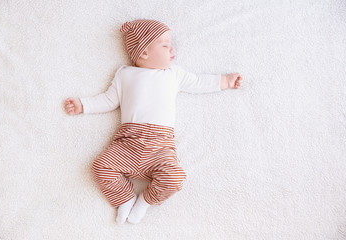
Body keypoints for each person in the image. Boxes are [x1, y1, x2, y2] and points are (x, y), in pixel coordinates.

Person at [64, 19, 242, 224]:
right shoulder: (125, 74)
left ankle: (145, 201)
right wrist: (83, 105)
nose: (172, 48)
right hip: (128, 144)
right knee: (101, 166)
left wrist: (226, 81)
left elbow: (198, 82)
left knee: (174, 179)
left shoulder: (174, 74)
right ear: (144, 53)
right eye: (165, 45)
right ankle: (125, 197)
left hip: (160, 145)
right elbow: (108, 100)